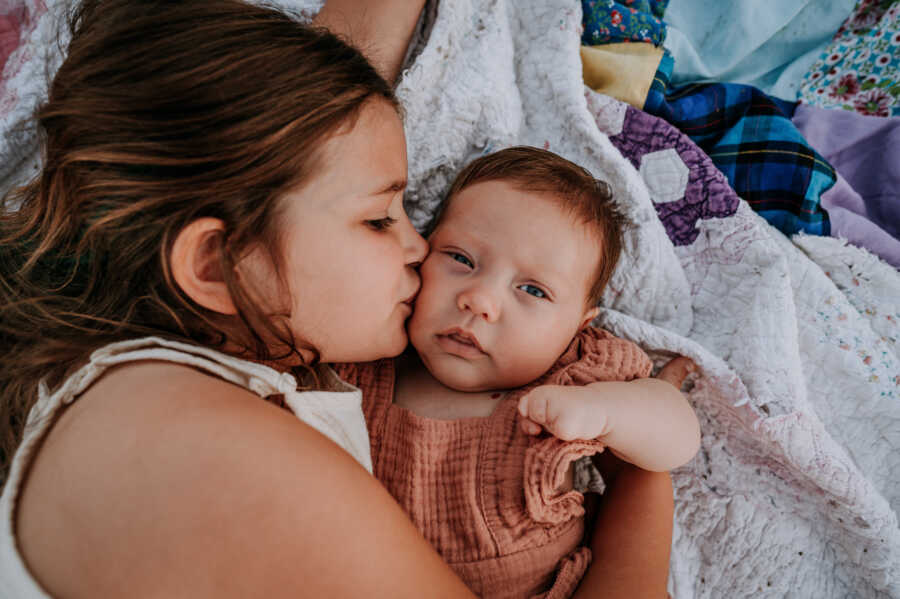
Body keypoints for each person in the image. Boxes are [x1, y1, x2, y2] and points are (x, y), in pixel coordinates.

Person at [0, 1, 679, 597]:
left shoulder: (161, 365)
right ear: (217, 262)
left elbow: (313, 129)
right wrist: (643, 472)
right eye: (381, 218)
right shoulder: (213, 453)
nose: (421, 246)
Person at [336, 146, 700, 598]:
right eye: (461, 259)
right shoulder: (365, 358)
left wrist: (607, 411)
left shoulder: (571, 380)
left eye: (532, 289)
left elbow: (677, 442)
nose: (480, 301)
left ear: (577, 326)